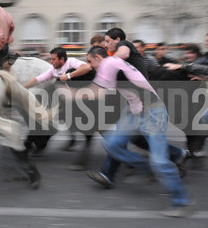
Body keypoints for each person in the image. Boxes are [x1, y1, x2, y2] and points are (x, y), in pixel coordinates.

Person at [71, 46, 192, 217]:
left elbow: (95, 93)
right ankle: (147, 167)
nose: (90, 66)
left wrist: (69, 92)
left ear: (98, 57)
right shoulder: (113, 62)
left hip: (152, 112)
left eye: (90, 61)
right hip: (134, 111)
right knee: (111, 144)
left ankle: (181, 201)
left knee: (160, 162)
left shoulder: (108, 64)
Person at [23, 47, 92, 89]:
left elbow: (87, 67)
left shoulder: (71, 62)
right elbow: (37, 79)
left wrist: (68, 76)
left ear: (61, 59)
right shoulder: (53, 70)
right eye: (51, 59)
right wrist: (21, 88)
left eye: (54, 59)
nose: (51, 62)